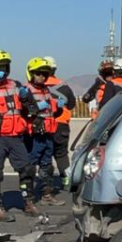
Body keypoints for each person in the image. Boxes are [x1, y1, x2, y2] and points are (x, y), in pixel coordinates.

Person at [0, 48, 39, 223]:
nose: (1, 70)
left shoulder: (16, 85)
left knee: (27, 169)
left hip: (15, 136)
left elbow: (32, 110)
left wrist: (27, 99)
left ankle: (28, 203)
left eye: (4, 66)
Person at [24, 57, 65, 209]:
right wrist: (33, 108)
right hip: (34, 135)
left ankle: (47, 195)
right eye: (38, 73)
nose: (42, 76)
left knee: (47, 165)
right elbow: (23, 111)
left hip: (48, 133)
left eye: (44, 74)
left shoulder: (46, 90)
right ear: (31, 74)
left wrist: (59, 107)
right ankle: (28, 197)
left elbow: (52, 112)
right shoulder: (26, 91)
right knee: (30, 165)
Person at [42, 56, 77, 190]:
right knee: (61, 154)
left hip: (45, 125)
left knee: (45, 155)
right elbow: (72, 104)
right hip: (62, 126)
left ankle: (47, 184)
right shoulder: (64, 86)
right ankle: (66, 181)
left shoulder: (38, 86)